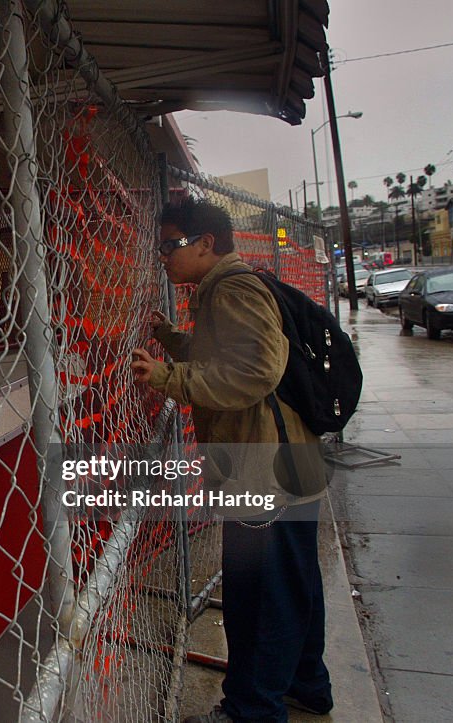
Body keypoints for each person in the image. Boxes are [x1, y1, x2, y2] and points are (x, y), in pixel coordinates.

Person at [130, 198, 332, 723]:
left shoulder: (233, 287)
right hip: (287, 459)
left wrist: (169, 378)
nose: (163, 256)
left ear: (206, 244)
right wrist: (172, 340)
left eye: (170, 245)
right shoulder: (225, 287)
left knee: (261, 595)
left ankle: (252, 711)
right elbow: (228, 352)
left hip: (263, 467)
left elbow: (256, 370)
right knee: (291, 582)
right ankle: (307, 684)